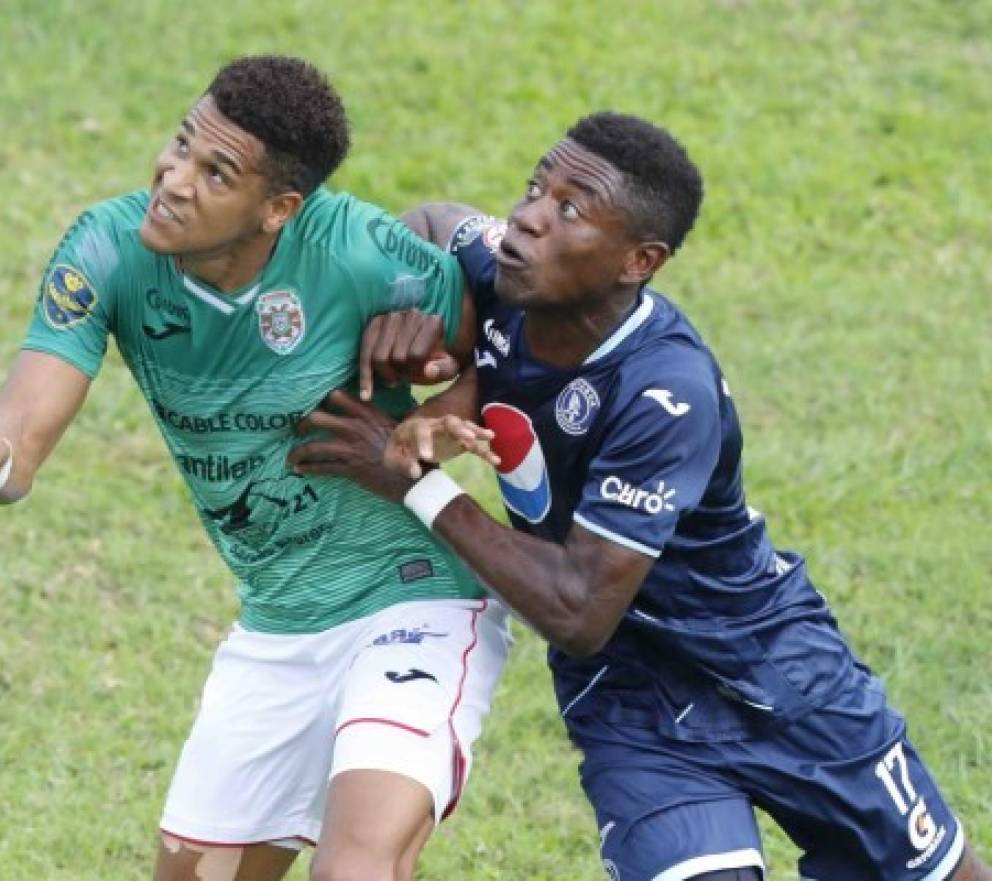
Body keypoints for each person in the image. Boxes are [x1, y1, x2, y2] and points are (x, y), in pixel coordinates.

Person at [288, 111, 989, 881]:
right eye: (534, 189)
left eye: (569, 210)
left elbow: (579, 608)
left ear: (638, 260)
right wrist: (413, 305)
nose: (527, 217)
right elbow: (429, 223)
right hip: (630, 698)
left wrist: (415, 484)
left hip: (771, 671)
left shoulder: (665, 391)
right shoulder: (502, 268)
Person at [0, 55, 510, 881]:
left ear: (278, 208)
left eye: (214, 172)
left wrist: (433, 413)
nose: (173, 179)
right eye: (182, 143)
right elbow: (16, 456)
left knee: (353, 866)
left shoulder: (363, 253)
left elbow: (511, 348)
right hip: (278, 624)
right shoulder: (108, 250)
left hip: (414, 598)